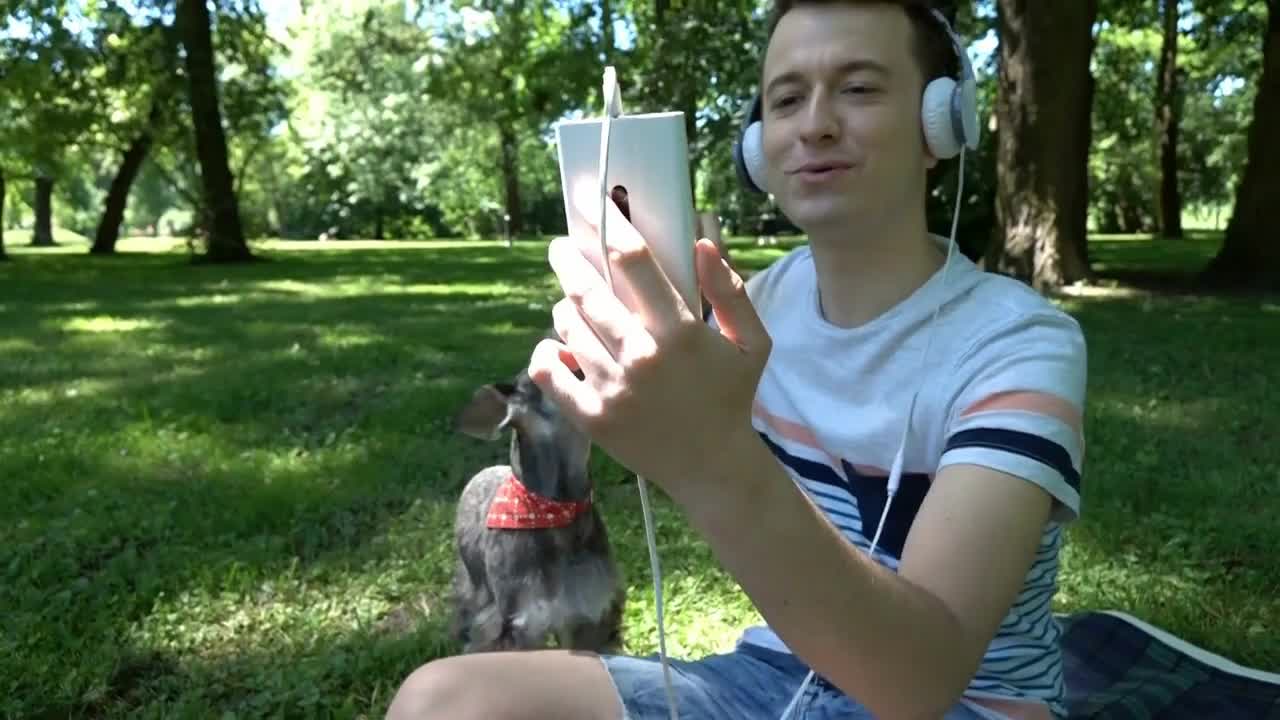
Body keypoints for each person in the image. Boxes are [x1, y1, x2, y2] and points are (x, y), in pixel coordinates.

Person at [386, 0, 1087, 718]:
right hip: (775, 678)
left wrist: (708, 456)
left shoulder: (1019, 345)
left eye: (858, 88)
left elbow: (919, 682)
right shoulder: (758, 308)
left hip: (964, 706)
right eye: (787, 98)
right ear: (759, 146)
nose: (814, 123)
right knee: (443, 700)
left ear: (942, 123)